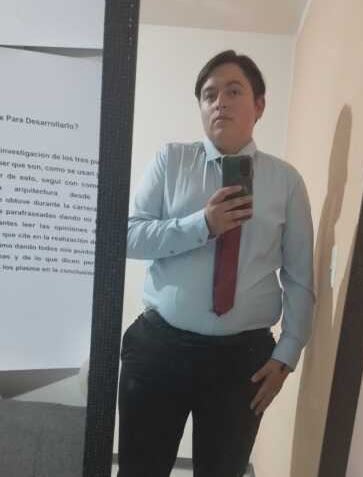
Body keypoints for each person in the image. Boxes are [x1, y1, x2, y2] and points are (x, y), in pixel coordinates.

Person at [118, 50, 315, 477]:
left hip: (243, 361)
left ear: (259, 105)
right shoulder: (171, 161)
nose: (219, 102)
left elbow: (300, 276)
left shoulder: (286, 182)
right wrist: (202, 225)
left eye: (233, 91)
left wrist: (287, 354)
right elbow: (127, 236)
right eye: (209, 95)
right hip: (160, 349)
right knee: (139, 469)